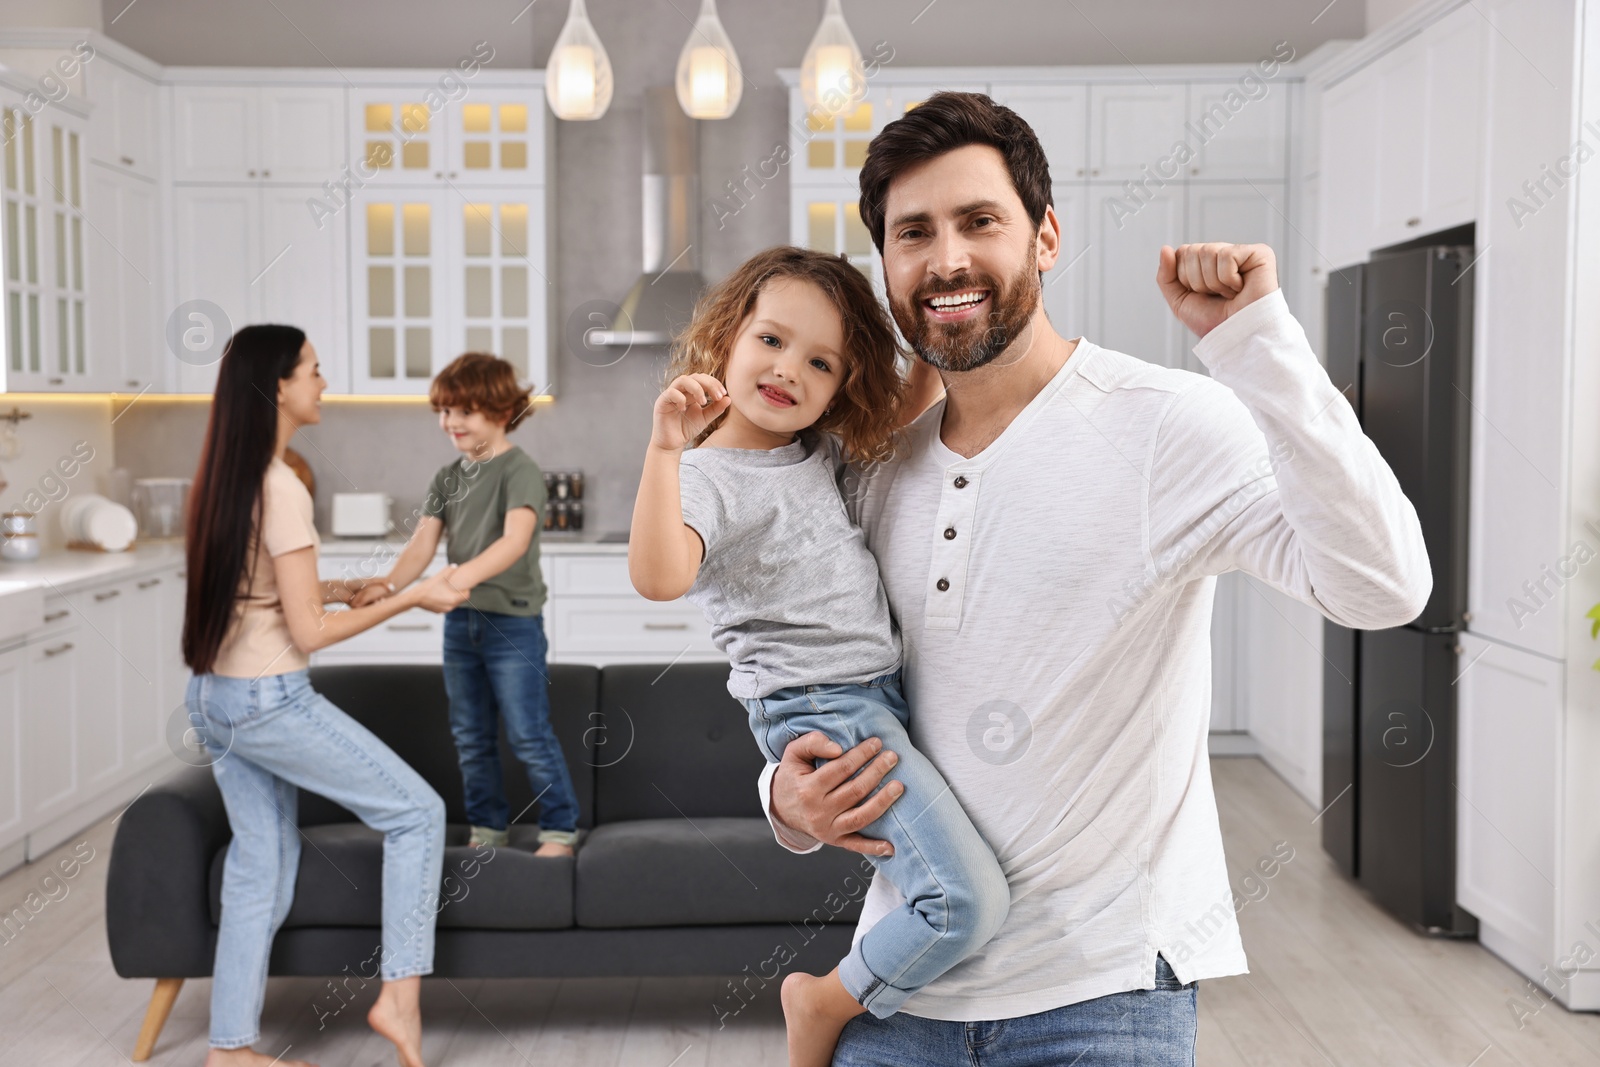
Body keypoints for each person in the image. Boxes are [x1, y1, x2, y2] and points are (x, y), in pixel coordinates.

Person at [760, 93, 1432, 1065]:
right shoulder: (868, 468)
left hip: (1104, 997)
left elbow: (1385, 587)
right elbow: (805, 676)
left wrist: (1257, 343)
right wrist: (784, 794)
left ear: (1045, 237)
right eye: (914, 233)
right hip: (896, 987)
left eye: (978, 221)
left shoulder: (1165, 424)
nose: (946, 258)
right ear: (887, 266)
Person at [628, 246, 968, 1067]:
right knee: (957, 900)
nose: (789, 370)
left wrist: (930, 308)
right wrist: (665, 449)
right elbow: (658, 576)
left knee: (946, 888)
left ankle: (840, 997)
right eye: (772, 341)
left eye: (820, 361)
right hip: (824, 707)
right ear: (728, 339)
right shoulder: (709, 474)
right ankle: (822, 1000)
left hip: (869, 696)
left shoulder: (813, 455)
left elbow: (917, 389)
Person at [183, 325, 466, 1067]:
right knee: (417, 812)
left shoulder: (226, 472)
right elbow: (307, 631)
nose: (324, 381)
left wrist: (347, 587)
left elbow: (261, 593)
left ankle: (230, 1050)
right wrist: (415, 597)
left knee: (259, 861)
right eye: (312, 369)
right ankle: (398, 999)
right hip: (267, 699)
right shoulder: (280, 484)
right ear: (278, 385)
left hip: (214, 695)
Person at [358, 352, 579, 856]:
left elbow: (513, 542)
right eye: (444, 411)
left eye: (464, 412)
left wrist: (456, 580)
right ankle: (488, 829)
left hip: (513, 626)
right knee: (470, 736)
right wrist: (389, 585)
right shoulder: (447, 477)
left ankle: (560, 829)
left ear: (501, 411)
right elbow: (421, 545)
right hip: (461, 625)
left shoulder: (519, 470)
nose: (449, 422)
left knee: (528, 734)